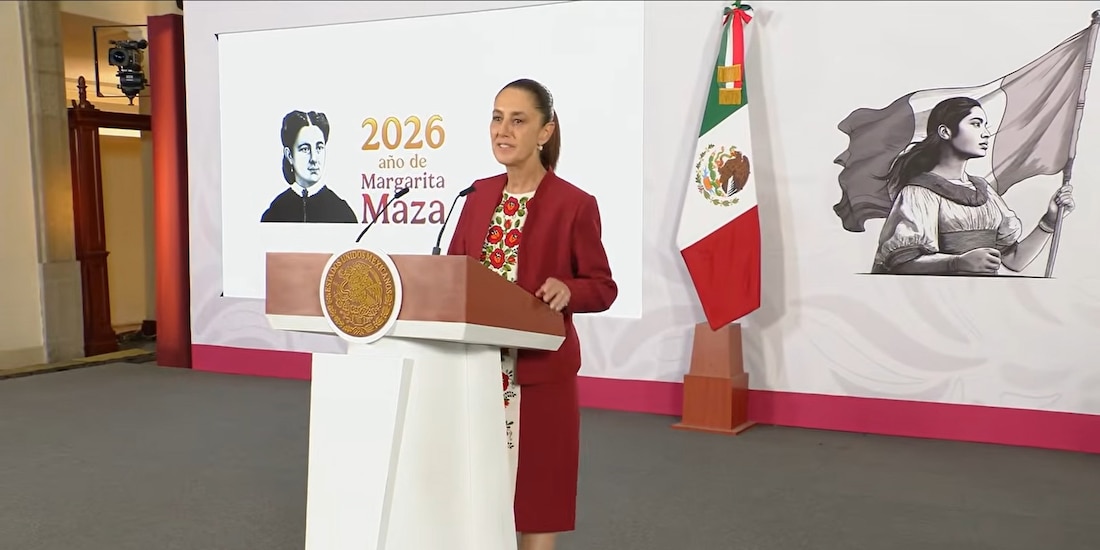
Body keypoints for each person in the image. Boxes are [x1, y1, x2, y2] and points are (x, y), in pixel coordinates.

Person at [447, 78, 617, 550]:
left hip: (538, 374)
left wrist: (569, 289)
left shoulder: (574, 204)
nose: (503, 130)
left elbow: (603, 287)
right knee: (475, 495)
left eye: (518, 120)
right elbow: (453, 273)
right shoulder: (477, 196)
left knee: (538, 496)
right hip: (475, 370)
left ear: (545, 132)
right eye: (497, 117)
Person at [873, 96, 1075, 275]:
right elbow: (901, 264)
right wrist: (956, 263)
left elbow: (1014, 261)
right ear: (945, 132)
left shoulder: (984, 191)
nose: (986, 133)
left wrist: (1049, 220)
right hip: (940, 299)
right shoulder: (918, 193)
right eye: (976, 124)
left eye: (985, 125)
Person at [260, 110, 358, 223]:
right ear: (289, 155)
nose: (314, 159)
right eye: (305, 149)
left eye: (319, 148)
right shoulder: (275, 213)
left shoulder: (342, 212)